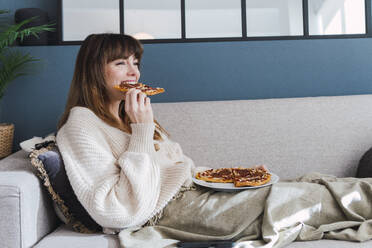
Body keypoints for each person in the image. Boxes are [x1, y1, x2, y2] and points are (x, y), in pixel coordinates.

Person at [56, 33, 195, 233]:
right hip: (171, 210)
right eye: (121, 63)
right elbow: (117, 211)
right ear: (93, 70)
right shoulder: (81, 124)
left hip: (192, 193)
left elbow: (175, 166)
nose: (134, 73)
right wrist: (142, 130)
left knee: (257, 190)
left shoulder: (129, 116)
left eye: (136, 63)